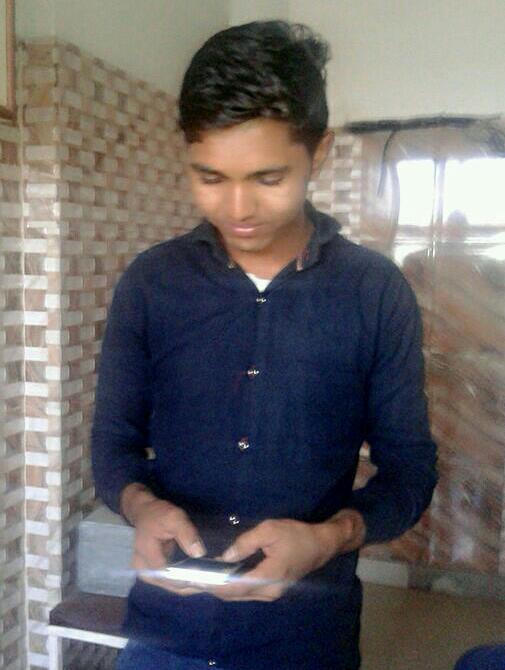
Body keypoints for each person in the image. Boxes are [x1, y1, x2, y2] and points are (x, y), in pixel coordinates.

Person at [91, 21, 438, 670]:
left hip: (305, 639)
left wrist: (327, 538)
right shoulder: (151, 283)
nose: (237, 208)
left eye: (268, 177)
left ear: (319, 152)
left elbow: (410, 471)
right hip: (164, 635)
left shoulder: (374, 292)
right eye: (209, 176)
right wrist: (141, 507)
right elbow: (113, 445)